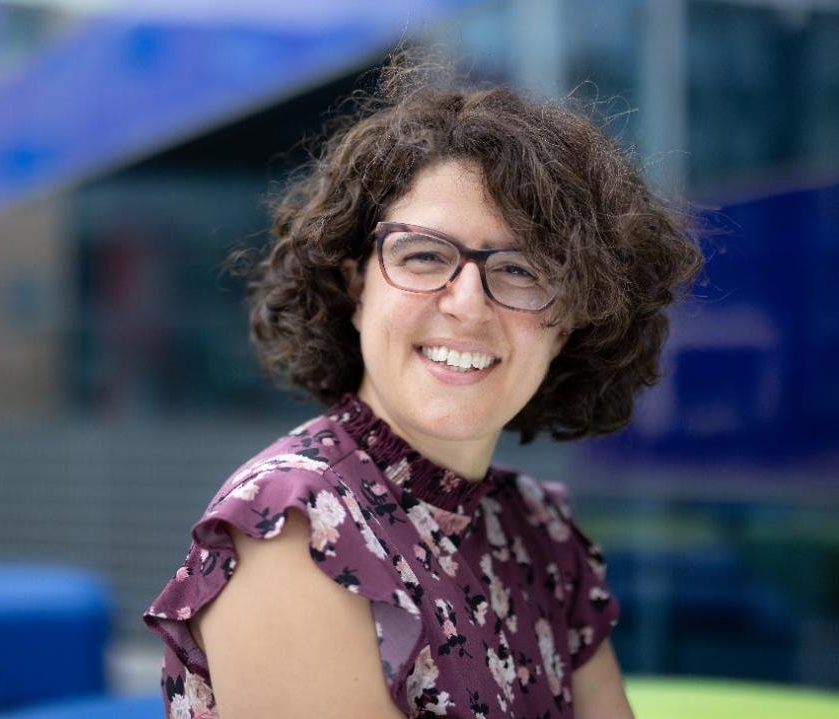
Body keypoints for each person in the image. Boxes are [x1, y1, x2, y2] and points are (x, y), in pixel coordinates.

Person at [143, 52, 703, 719]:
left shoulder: (539, 530)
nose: (467, 303)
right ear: (355, 287)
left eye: (521, 269)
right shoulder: (289, 529)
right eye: (424, 256)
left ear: (577, 318)